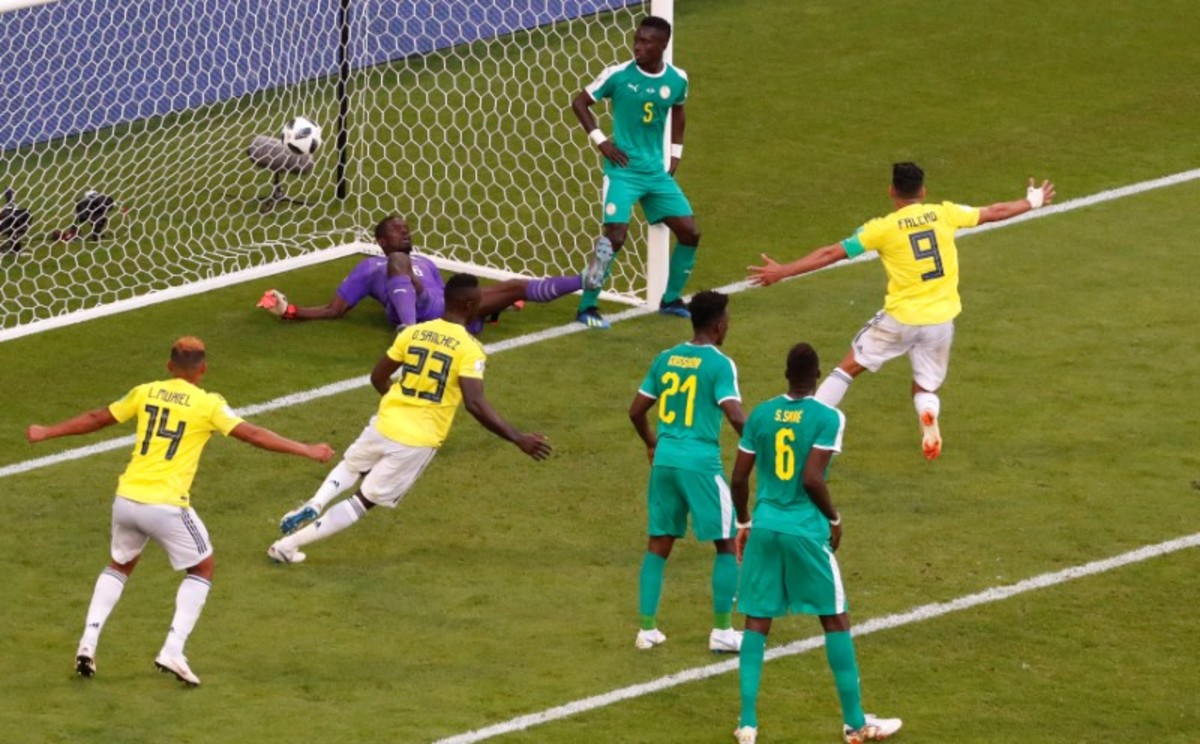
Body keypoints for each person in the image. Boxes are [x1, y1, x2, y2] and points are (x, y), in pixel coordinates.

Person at [25, 337, 333, 686]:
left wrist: (46, 432)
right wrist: (306, 449)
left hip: (126, 499)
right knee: (202, 567)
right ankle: (173, 650)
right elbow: (252, 434)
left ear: (169, 366)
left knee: (120, 565)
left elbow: (98, 417)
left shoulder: (146, 392)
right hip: (166, 505)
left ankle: (88, 643)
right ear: (204, 369)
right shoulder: (209, 404)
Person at [748, 163, 1055, 460]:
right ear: (923, 191)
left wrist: (784, 271)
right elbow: (994, 212)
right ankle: (927, 414)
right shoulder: (944, 213)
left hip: (900, 319)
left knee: (848, 368)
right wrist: (1033, 200)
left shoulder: (881, 228)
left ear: (891, 191)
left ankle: (805, 428)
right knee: (925, 385)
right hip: (941, 320)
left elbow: (832, 253)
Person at [268, 273, 552, 562]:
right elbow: (475, 403)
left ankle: (317, 501)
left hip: (385, 422)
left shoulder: (413, 333)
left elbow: (378, 376)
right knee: (364, 500)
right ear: (469, 305)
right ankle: (288, 545)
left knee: (351, 466)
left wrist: (398, 403)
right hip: (418, 439)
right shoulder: (470, 349)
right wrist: (518, 438)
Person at [730, 343, 901, 744]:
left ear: (786, 375)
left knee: (757, 620)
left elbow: (738, 478)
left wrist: (744, 522)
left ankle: (748, 723)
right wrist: (835, 519)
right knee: (835, 618)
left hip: (765, 527)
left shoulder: (762, 414)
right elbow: (811, 478)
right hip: (804, 530)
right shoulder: (828, 417)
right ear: (818, 374)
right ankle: (855, 724)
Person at [628, 290, 745, 652]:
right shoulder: (720, 364)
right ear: (719, 325)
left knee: (658, 544)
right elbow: (735, 414)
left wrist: (652, 443)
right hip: (700, 464)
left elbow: (636, 411)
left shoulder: (665, 358)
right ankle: (723, 631)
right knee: (727, 542)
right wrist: (760, 447)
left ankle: (647, 630)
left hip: (665, 461)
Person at [257, 215, 606, 334]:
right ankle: (408, 333)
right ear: (381, 241)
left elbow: (443, 296)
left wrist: (487, 307)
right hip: (416, 311)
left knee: (513, 286)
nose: (405, 232)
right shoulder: (371, 266)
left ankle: (585, 280)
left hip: (446, 312)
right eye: (397, 230)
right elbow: (334, 309)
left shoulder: (426, 262)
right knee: (399, 263)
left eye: (406, 228)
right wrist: (291, 310)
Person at [570, 15, 701, 329]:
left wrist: (675, 154)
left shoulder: (677, 79)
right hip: (623, 172)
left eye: (646, 42)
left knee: (690, 233)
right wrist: (602, 143)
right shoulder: (618, 75)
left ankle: (670, 300)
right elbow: (579, 103)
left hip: (656, 174)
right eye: (637, 40)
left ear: (663, 45)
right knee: (614, 238)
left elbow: (679, 111)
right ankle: (587, 307)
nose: (637, 46)